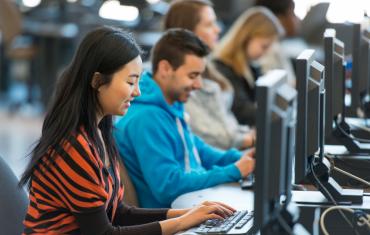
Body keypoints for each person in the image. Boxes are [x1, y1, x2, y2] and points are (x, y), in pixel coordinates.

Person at [19, 26, 238, 235]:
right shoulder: (73, 146)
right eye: (131, 82)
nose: (137, 92)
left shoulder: (100, 131)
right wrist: (180, 223)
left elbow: (118, 213)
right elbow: (103, 232)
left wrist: (187, 213)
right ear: (97, 81)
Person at [114, 29, 255, 208]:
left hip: (195, 203)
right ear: (165, 69)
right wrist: (233, 171)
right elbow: (169, 187)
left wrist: (239, 159)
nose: (199, 85)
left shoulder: (170, 104)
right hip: (175, 215)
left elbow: (199, 151)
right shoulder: (146, 119)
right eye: (192, 76)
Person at [163, 0, 255, 150]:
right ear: (189, 32)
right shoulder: (178, 78)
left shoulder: (209, 67)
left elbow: (225, 122)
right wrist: (250, 139)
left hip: (227, 154)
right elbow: (203, 132)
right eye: (209, 25)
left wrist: (249, 135)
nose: (217, 30)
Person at [213, 7, 284, 126]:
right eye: (264, 46)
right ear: (247, 37)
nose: (266, 52)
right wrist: (276, 114)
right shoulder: (222, 67)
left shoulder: (251, 66)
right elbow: (242, 111)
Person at [254, 0, 301, 85]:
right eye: (292, 13)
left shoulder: (277, 46)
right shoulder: (269, 51)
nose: (297, 19)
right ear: (277, 19)